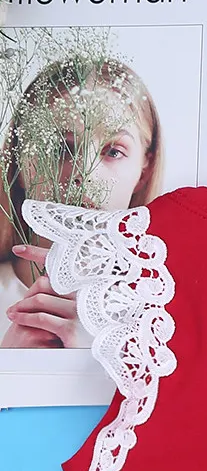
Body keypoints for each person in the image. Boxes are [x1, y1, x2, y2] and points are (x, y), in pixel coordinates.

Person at [0, 58, 162, 349]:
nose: (84, 173)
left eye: (113, 151)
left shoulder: (161, 311)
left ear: (144, 170)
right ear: (18, 164)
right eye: (61, 148)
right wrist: (12, 363)